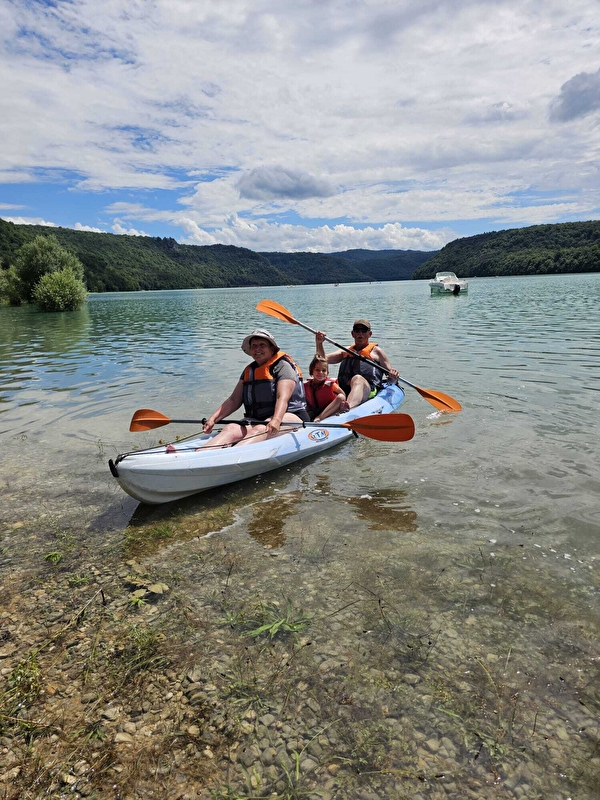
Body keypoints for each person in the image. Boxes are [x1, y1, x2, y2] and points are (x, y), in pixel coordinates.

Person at [201, 329, 309, 448]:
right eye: (254, 346)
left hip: (291, 416)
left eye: (262, 345)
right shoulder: (249, 370)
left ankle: (233, 454)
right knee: (230, 428)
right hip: (257, 418)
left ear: (272, 349)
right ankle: (201, 453)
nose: (257, 349)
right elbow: (233, 400)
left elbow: (282, 397)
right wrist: (213, 419)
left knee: (260, 429)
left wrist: (276, 419)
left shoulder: (283, 366)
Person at [315, 318, 399, 409]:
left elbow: (391, 377)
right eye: (357, 330)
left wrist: (393, 375)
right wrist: (319, 343)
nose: (360, 333)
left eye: (364, 330)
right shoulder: (346, 351)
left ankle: (347, 408)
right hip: (344, 390)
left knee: (357, 378)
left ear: (370, 334)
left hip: (368, 390)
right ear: (352, 334)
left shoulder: (377, 352)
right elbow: (321, 360)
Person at [304, 354, 347, 421]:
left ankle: (320, 417)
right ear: (311, 371)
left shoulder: (331, 384)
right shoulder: (306, 385)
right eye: (317, 370)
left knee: (341, 397)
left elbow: (343, 394)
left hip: (330, 409)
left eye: (324, 370)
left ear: (327, 373)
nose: (321, 372)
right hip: (315, 410)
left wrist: (342, 404)